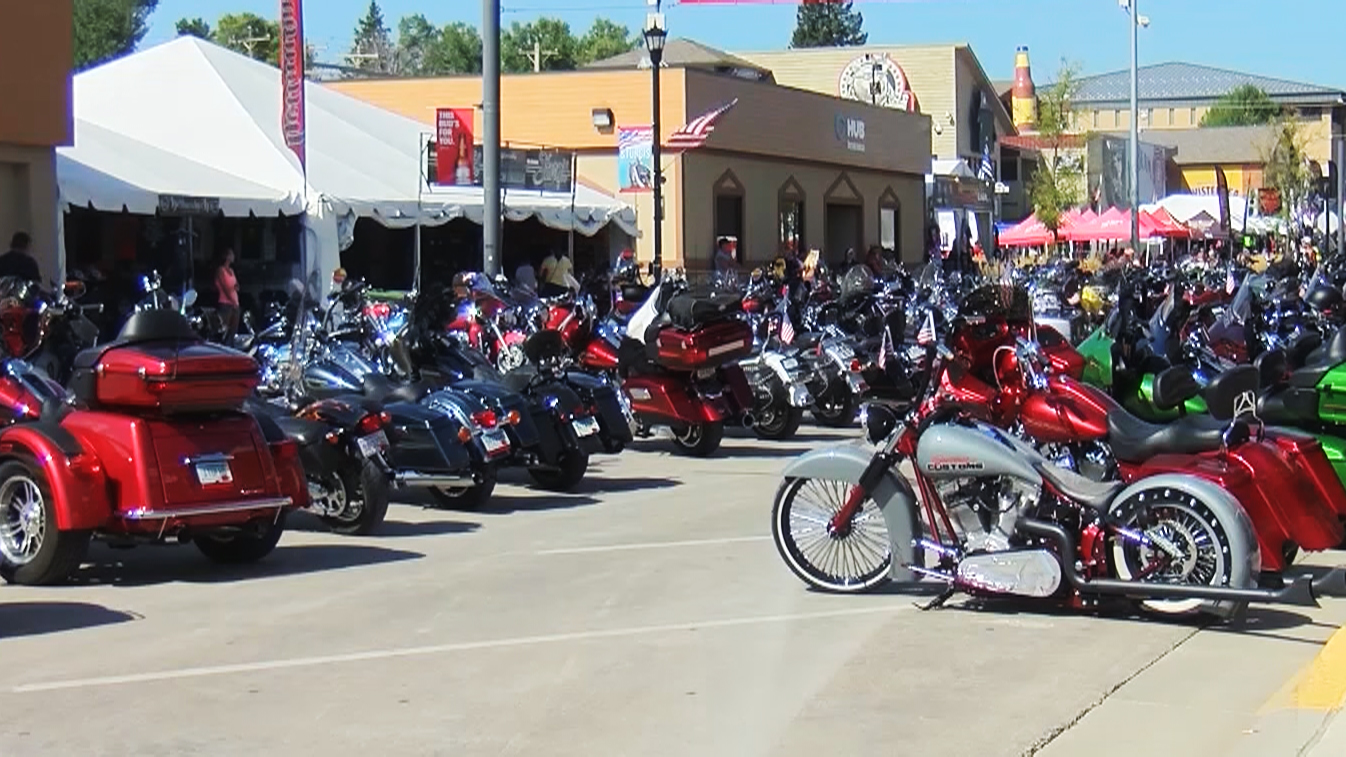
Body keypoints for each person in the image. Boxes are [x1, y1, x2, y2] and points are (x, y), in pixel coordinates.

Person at [214, 248, 240, 340]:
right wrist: (232, 301)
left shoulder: (231, 271)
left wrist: (236, 287)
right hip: (225, 304)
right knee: (225, 331)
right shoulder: (221, 270)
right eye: (232, 254)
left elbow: (236, 285)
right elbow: (225, 288)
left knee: (233, 331)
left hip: (235, 304)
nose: (234, 256)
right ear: (227, 256)